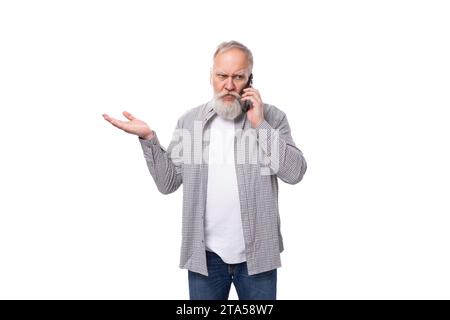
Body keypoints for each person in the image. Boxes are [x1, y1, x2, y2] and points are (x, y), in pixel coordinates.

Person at [103, 40, 307, 300]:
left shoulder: (273, 118)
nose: (229, 85)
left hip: (258, 257)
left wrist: (259, 124)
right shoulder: (190, 122)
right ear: (211, 76)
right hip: (205, 259)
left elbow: (295, 174)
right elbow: (168, 184)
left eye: (238, 77)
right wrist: (149, 138)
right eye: (222, 76)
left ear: (250, 80)